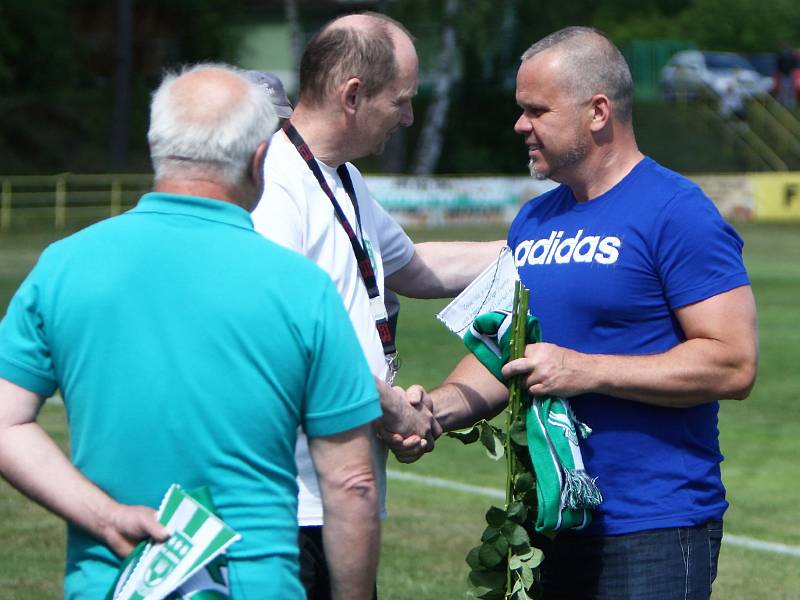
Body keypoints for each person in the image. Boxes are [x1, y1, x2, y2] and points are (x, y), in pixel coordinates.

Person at [0, 64, 383, 600]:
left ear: (159, 148)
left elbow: (5, 423)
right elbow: (352, 483)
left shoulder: (63, 266)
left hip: (110, 580)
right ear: (258, 160)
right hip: (255, 581)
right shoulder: (302, 287)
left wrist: (105, 515)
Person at [415, 27, 759, 600]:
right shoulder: (534, 221)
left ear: (598, 112)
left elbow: (732, 364)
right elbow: (511, 353)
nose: (521, 125)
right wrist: (436, 411)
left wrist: (587, 369)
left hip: (653, 523)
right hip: (554, 516)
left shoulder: (677, 211)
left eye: (536, 110)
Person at [250, 12, 504, 599]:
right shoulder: (275, 185)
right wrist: (390, 405)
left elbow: (411, 267)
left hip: (336, 491)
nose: (410, 116)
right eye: (403, 100)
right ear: (354, 95)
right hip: (289, 497)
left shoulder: (338, 176)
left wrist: (538, 249)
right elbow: (282, 340)